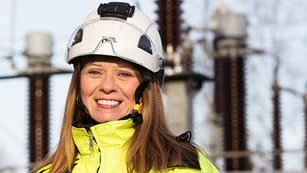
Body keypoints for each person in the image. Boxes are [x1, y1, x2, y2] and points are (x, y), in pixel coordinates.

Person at [31, 2, 219, 173]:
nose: (107, 86)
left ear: (146, 87)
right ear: (78, 81)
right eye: (95, 72)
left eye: (124, 74)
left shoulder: (180, 166)